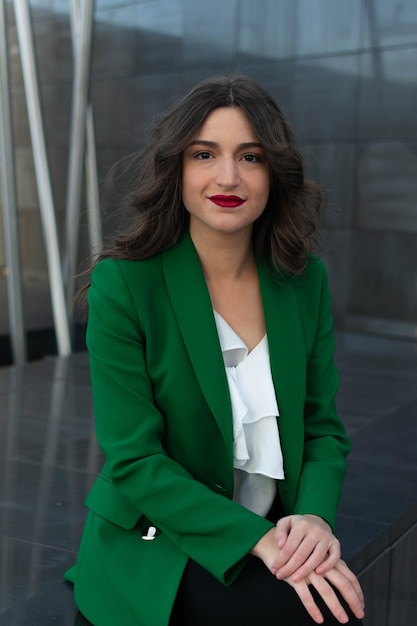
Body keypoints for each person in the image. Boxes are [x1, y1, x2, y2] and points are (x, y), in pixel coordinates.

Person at [66, 74, 365, 626]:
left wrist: (315, 521)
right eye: (205, 153)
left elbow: (322, 428)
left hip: (276, 526)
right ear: (177, 167)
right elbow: (135, 461)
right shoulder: (125, 285)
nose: (228, 176)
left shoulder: (303, 282)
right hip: (158, 539)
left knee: (335, 613)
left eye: (250, 156)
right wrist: (262, 542)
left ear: (274, 173)